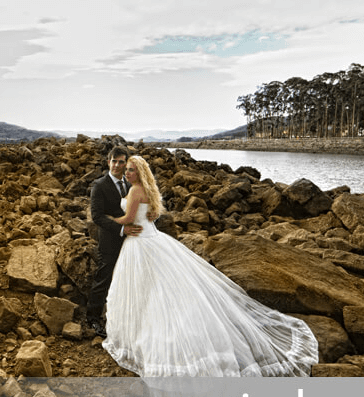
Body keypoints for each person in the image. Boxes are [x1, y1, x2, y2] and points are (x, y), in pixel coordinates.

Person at [102, 155, 318, 377]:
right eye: (126, 169)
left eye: (130, 170)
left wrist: (106, 220)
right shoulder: (148, 190)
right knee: (159, 289)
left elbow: (129, 218)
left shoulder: (135, 190)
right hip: (153, 239)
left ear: (139, 172)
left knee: (145, 291)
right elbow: (148, 216)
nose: (126, 173)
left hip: (140, 244)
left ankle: (144, 335)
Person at [87, 146, 145, 338]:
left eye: (121, 162)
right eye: (114, 161)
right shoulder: (100, 185)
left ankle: (126, 316)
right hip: (110, 239)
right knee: (104, 276)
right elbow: (97, 216)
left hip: (131, 242)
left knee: (128, 277)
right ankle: (93, 318)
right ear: (108, 162)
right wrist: (121, 229)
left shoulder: (130, 184)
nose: (117, 165)